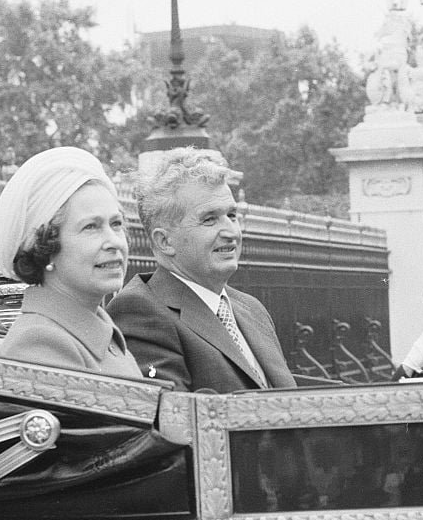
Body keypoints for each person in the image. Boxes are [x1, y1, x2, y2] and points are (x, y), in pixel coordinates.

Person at [106, 148, 296, 392]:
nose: (231, 232)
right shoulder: (140, 311)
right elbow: (174, 421)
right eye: (209, 219)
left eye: (232, 215)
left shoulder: (252, 309)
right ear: (165, 241)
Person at [0, 146, 141, 378]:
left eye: (116, 224)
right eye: (91, 227)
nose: (114, 242)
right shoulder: (40, 345)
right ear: (45, 247)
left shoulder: (101, 332)